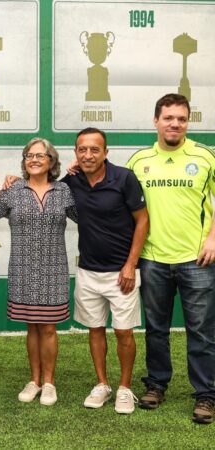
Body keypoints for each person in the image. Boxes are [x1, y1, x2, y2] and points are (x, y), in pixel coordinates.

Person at [125, 93, 215, 424]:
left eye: (181, 118)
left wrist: (213, 238)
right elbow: (121, 199)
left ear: (188, 122)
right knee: (156, 329)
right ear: (156, 121)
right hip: (152, 259)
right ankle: (157, 384)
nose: (174, 123)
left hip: (197, 260)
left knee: (202, 331)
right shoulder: (139, 161)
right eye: (168, 118)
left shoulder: (205, 157)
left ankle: (206, 395)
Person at [64, 128, 148, 414]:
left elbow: (143, 221)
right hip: (88, 271)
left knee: (124, 332)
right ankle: (102, 384)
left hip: (121, 273)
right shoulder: (71, 182)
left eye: (94, 150)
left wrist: (130, 264)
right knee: (95, 330)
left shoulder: (124, 178)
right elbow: (43, 187)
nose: (88, 155)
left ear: (105, 152)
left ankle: (125, 388)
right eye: (82, 150)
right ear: (76, 153)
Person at [0, 137, 76, 406]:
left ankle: (49, 383)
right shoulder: (13, 190)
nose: (35, 159)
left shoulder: (64, 190)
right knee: (32, 328)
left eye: (41, 155)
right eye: (29, 155)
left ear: (52, 161)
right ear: (24, 161)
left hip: (54, 269)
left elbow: (89, 215)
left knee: (49, 328)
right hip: (22, 269)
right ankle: (35, 380)